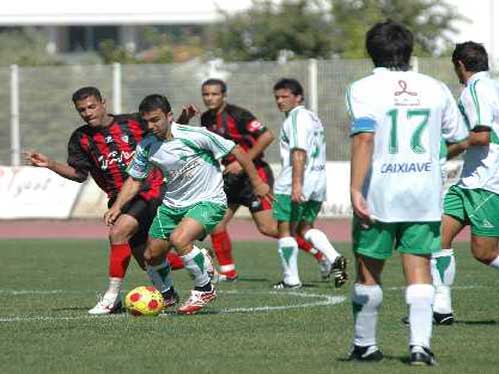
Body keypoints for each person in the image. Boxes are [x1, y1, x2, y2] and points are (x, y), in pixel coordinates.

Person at [346, 21, 468, 365]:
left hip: (379, 194)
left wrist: (355, 188)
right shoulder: (435, 87)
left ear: (372, 52)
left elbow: (365, 138)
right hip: (423, 193)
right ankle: (420, 346)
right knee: (419, 269)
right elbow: (457, 135)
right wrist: (434, 158)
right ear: (409, 50)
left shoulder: (362, 88)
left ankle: (365, 344)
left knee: (369, 271)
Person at [104, 94, 272, 315]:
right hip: (172, 205)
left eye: (156, 120)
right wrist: (117, 206)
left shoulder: (196, 135)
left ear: (169, 116)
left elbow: (237, 151)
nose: (151, 125)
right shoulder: (146, 145)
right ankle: (167, 294)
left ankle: (205, 289)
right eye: (146, 121)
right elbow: (135, 179)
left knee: (179, 239)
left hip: (208, 200)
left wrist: (258, 181)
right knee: (150, 256)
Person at [25, 86, 185, 315]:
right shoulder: (81, 138)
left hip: (150, 189)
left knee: (118, 232)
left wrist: (184, 119)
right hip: (120, 199)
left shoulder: (133, 123)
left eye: (91, 106)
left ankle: (112, 298)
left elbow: (164, 131)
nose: (88, 113)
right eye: (82, 110)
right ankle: (191, 264)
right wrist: (50, 164)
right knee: (148, 258)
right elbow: (79, 175)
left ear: (103, 103)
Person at [182, 78, 334, 282]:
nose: (210, 98)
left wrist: (241, 161)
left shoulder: (239, 115)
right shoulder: (207, 119)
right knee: (217, 224)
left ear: (224, 95)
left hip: (254, 176)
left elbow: (266, 136)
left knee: (269, 228)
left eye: (214, 94)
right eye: (206, 94)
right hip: (230, 178)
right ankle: (229, 272)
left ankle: (320, 255)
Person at [431, 41, 499, 325]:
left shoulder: (475, 90)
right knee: (436, 236)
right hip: (468, 181)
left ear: (460, 65)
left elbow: (481, 136)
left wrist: (445, 152)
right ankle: (441, 309)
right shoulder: (492, 86)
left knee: (484, 253)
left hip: (486, 180)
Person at [272, 78, 348, 289]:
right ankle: (333, 257)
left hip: (294, 181)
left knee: (285, 229)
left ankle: (291, 279)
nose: (280, 101)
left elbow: (299, 151)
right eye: (277, 97)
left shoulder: (295, 118)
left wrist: (296, 184)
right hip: (317, 181)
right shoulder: (313, 118)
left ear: (298, 97)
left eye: (285, 96)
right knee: (305, 227)